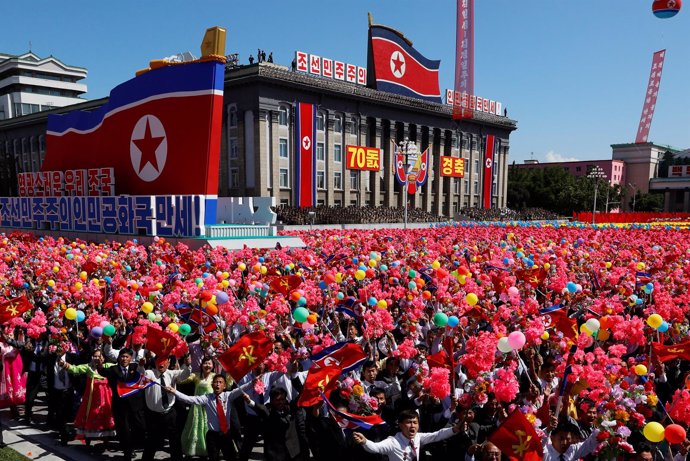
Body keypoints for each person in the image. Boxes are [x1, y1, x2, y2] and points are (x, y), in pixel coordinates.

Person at [164, 374, 253, 461]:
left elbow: (242, 388)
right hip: (212, 436)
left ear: (224, 386)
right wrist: (174, 391)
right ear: (212, 385)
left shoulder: (229, 396)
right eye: (215, 382)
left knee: (231, 457)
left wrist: (253, 382)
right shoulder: (207, 398)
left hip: (226, 435)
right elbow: (188, 399)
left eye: (220, 382)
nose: (218, 384)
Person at [353, 409, 461, 461]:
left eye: (415, 422)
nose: (412, 426)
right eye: (409, 422)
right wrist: (365, 442)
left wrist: (454, 429)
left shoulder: (417, 437)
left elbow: (437, 435)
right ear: (400, 425)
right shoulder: (393, 442)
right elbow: (376, 448)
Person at [140, 354, 192, 461]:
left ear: (168, 363)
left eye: (164, 361)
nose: (161, 363)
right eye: (158, 360)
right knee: (151, 441)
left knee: (174, 440)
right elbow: (142, 374)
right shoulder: (150, 373)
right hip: (153, 415)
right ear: (155, 363)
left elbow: (185, 375)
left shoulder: (172, 374)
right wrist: (141, 366)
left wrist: (188, 365)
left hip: (169, 413)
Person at [102, 347, 147, 461]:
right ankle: (127, 452)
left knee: (140, 428)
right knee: (124, 431)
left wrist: (143, 363)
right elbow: (101, 371)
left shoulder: (135, 367)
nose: (124, 359)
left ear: (130, 358)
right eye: (122, 356)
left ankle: (133, 445)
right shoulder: (113, 369)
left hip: (136, 405)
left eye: (126, 356)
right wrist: (98, 364)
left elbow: (144, 372)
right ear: (118, 358)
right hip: (120, 406)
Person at [64, 348, 116, 446]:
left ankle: (106, 440)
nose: (97, 358)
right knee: (89, 417)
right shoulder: (88, 367)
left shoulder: (108, 366)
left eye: (99, 356)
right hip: (91, 400)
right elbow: (75, 369)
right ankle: (88, 440)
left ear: (103, 358)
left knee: (106, 417)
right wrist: (64, 364)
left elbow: (120, 366)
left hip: (105, 400)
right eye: (95, 356)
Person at [247, 386, 309, 461]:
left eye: (283, 399)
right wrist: (249, 401)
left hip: (293, 452)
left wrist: (307, 388)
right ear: (272, 400)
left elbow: (299, 400)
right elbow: (260, 408)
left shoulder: (290, 408)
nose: (281, 402)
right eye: (277, 400)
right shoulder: (268, 411)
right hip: (275, 454)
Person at [180, 355, 216, 458]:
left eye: (209, 363)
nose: (207, 365)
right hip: (196, 407)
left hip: (210, 407)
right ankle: (194, 449)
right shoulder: (195, 375)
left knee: (209, 428)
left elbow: (227, 384)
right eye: (205, 363)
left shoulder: (215, 376)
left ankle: (208, 449)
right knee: (195, 427)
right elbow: (182, 380)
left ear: (213, 366)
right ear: (201, 365)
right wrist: (185, 366)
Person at [0, 333, 27, 418]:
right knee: (10, 386)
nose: (9, 336)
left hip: (17, 365)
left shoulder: (16, 342)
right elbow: (3, 351)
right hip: (7, 367)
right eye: (8, 335)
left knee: (18, 385)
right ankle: (13, 409)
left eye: (11, 335)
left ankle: (21, 407)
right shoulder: (2, 344)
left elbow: (22, 344)